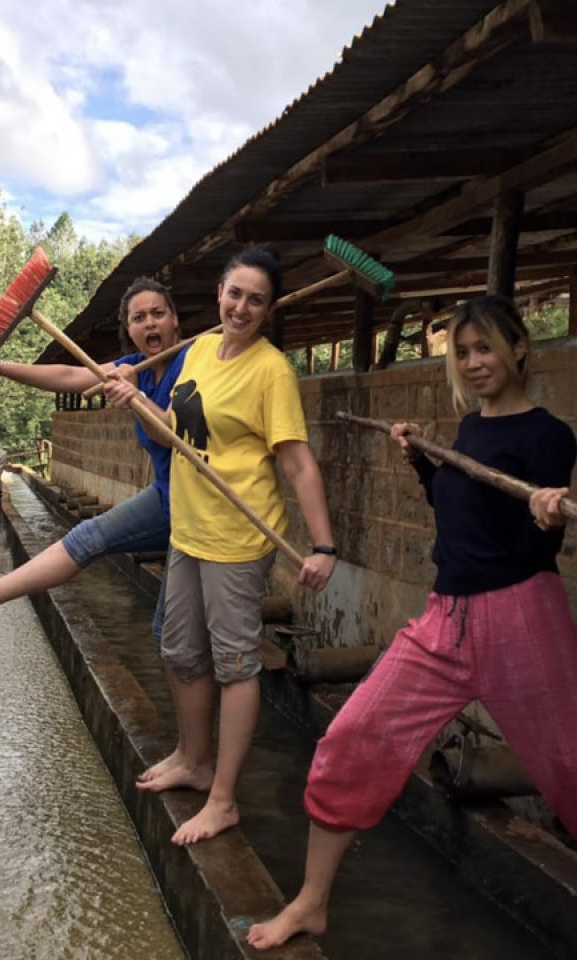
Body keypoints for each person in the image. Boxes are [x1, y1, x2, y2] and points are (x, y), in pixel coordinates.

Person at [247, 296, 577, 959]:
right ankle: (311, 904)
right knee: (352, 737)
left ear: (519, 349)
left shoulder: (549, 435)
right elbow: (461, 515)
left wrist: (547, 514)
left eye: (486, 348)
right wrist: (424, 464)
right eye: (463, 352)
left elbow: (524, 540)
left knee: (576, 777)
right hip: (444, 618)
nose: (475, 362)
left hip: (522, 616)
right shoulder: (467, 432)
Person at [104, 245, 337, 847]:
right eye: (234, 294)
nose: (241, 307)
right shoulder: (201, 348)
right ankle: (192, 757)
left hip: (239, 537)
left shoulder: (272, 371)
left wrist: (323, 546)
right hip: (190, 527)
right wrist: (135, 394)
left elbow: (298, 463)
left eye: (255, 299)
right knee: (180, 649)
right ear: (219, 294)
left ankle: (225, 798)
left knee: (236, 665)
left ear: (269, 308)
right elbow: (176, 430)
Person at [0, 276, 189, 637]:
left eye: (158, 313)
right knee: (86, 537)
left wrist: (134, 395)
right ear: (129, 329)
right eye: (139, 318)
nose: (150, 323)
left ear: (175, 320)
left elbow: (172, 434)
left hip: (198, 504)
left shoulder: (192, 361)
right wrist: (1, 367)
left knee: (169, 634)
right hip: (167, 494)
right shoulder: (133, 367)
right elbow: (68, 374)